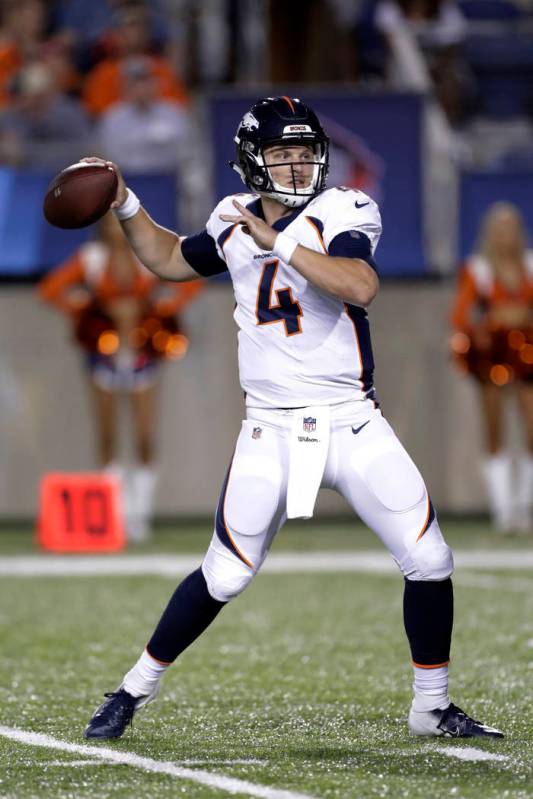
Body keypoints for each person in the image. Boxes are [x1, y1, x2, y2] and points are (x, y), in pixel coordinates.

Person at [83, 96, 503, 740]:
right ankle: (130, 692)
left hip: (350, 419)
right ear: (253, 159)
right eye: (282, 153)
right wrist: (126, 203)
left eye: (307, 152)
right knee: (225, 573)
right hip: (272, 426)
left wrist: (278, 242)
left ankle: (431, 706)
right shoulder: (231, 217)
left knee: (431, 560)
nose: (298, 164)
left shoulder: (346, 208)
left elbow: (359, 285)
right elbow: (170, 259)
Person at [38, 211, 203, 541]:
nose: (115, 229)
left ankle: (139, 515)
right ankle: (112, 513)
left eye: (119, 223)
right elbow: (50, 290)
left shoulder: (147, 255)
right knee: (107, 434)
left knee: (144, 435)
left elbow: (191, 282)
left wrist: (156, 310)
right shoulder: (92, 259)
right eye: (109, 224)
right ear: (101, 228)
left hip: (142, 351)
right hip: (105, 353)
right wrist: (87, 308)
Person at [450, 202, 533, 533]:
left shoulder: (530, 265)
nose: (504, 234)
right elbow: (459, 316)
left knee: (530, 428)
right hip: (494, 355)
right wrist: (492, 320)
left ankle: (524, 506)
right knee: (494, 428)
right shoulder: (478, 269)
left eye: (510, 227)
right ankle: (503, 509)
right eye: (498, 228)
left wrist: (522, 317)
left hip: (528, 352)